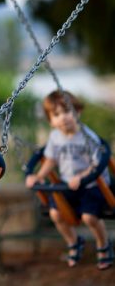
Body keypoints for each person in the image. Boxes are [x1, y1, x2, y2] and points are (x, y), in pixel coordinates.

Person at [25, 90, 113, 270]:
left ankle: (103, 244)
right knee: (55, 214)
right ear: (51, 120)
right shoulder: (55, 137)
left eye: (67, 111)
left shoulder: (88, 136)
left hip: (92, 184)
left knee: (89, 217)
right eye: (57, 115)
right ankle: (74, 242)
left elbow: (97, 164)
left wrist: (81, 177)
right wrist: (38, 176)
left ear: (78, 113)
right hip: (68, 184)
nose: (63, 118)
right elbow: (50, 160)